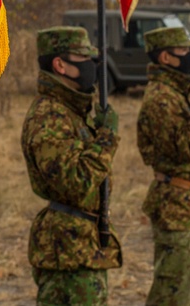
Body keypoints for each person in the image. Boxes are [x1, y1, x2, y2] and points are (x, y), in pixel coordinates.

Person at [20, 25, 122, 305]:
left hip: (81, 245)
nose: (92, 67)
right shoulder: (50, 116)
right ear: (60, 64)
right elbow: (75, 182)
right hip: (68, 249)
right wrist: (107, 139)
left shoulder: (70, 111)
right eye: (85, 59)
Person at [136, 25, 190, 306]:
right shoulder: (161, 98)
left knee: (180, 290)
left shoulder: (172, 93)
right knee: (171, 294)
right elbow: (183, 151)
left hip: (182, 204)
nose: (188, 56)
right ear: (165, 58)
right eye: (183, 51)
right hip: (173, 205)